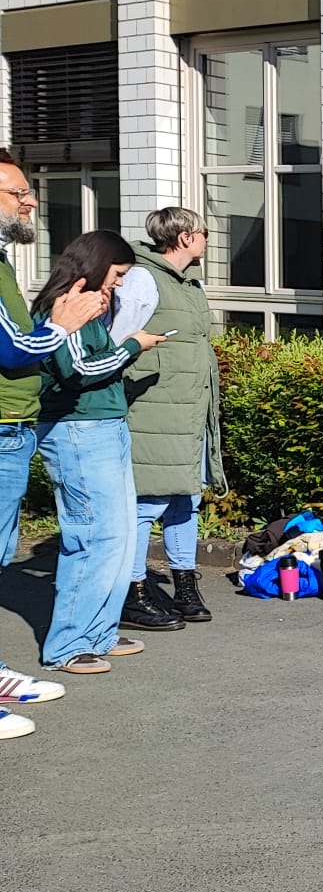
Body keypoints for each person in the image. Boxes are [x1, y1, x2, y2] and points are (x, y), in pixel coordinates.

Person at [0, 153, 124, 738]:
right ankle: (72, 642)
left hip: (14, 428)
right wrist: (64, 325)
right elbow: (16, 350)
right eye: (17, 192)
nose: (30, 201)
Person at [32, 231, 168, 675]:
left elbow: (94, 366)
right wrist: (132, 346)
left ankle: (99, 634)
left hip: (105, 426)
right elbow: (77, 372)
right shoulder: (64, 306)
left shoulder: (92, 307)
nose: (120, 283)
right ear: (96, 265)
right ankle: (68, 645)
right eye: (118, 273)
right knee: (93, 537)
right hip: (77, 431)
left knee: (119, 537)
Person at [111, 208, 227, 628]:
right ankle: (134, 591)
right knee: (148, 502)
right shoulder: (143, 279)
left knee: (186, 500)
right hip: (153, 409)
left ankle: (185, 588)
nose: (208, 240)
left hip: (190, 409)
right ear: (184, 238)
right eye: (204, 232)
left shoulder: (189, 282)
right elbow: (116, 340)